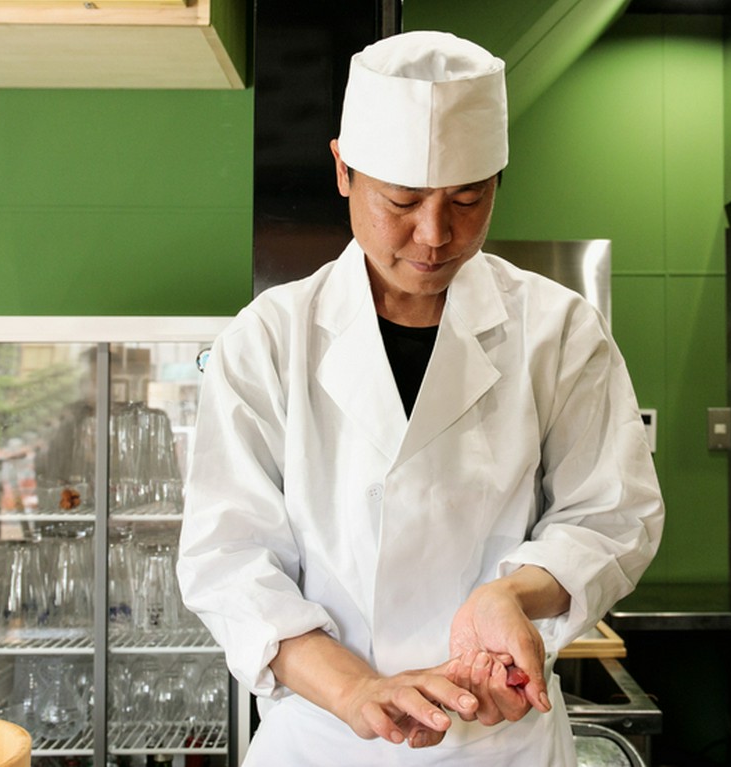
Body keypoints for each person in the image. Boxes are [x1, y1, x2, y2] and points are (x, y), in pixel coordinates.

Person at [177, 29, 664, 766]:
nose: (435, 235)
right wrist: (355, 690)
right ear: (343, 170)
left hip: (501, 742)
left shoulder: (557, 330)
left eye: (468, 199)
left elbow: (613, 515)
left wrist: (513, 597)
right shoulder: (270, 339)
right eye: (401, 200)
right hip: (324, 739)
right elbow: (228, 557)